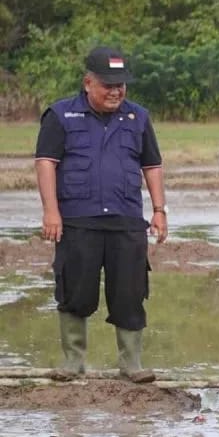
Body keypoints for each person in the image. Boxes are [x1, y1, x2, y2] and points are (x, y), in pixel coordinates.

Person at [35, 46, 167, 383]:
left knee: (130, 292)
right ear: (87, 83)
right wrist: (51, 211)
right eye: (108, 85)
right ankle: (73, 362)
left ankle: (131, 364)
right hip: (78, 219)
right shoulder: (61, 115)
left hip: (126, 220)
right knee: (75, 291)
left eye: (120, 85)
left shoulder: (138, 117)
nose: (116, 91)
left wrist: (159, 210)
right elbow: (46, 163)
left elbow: (152, 165)